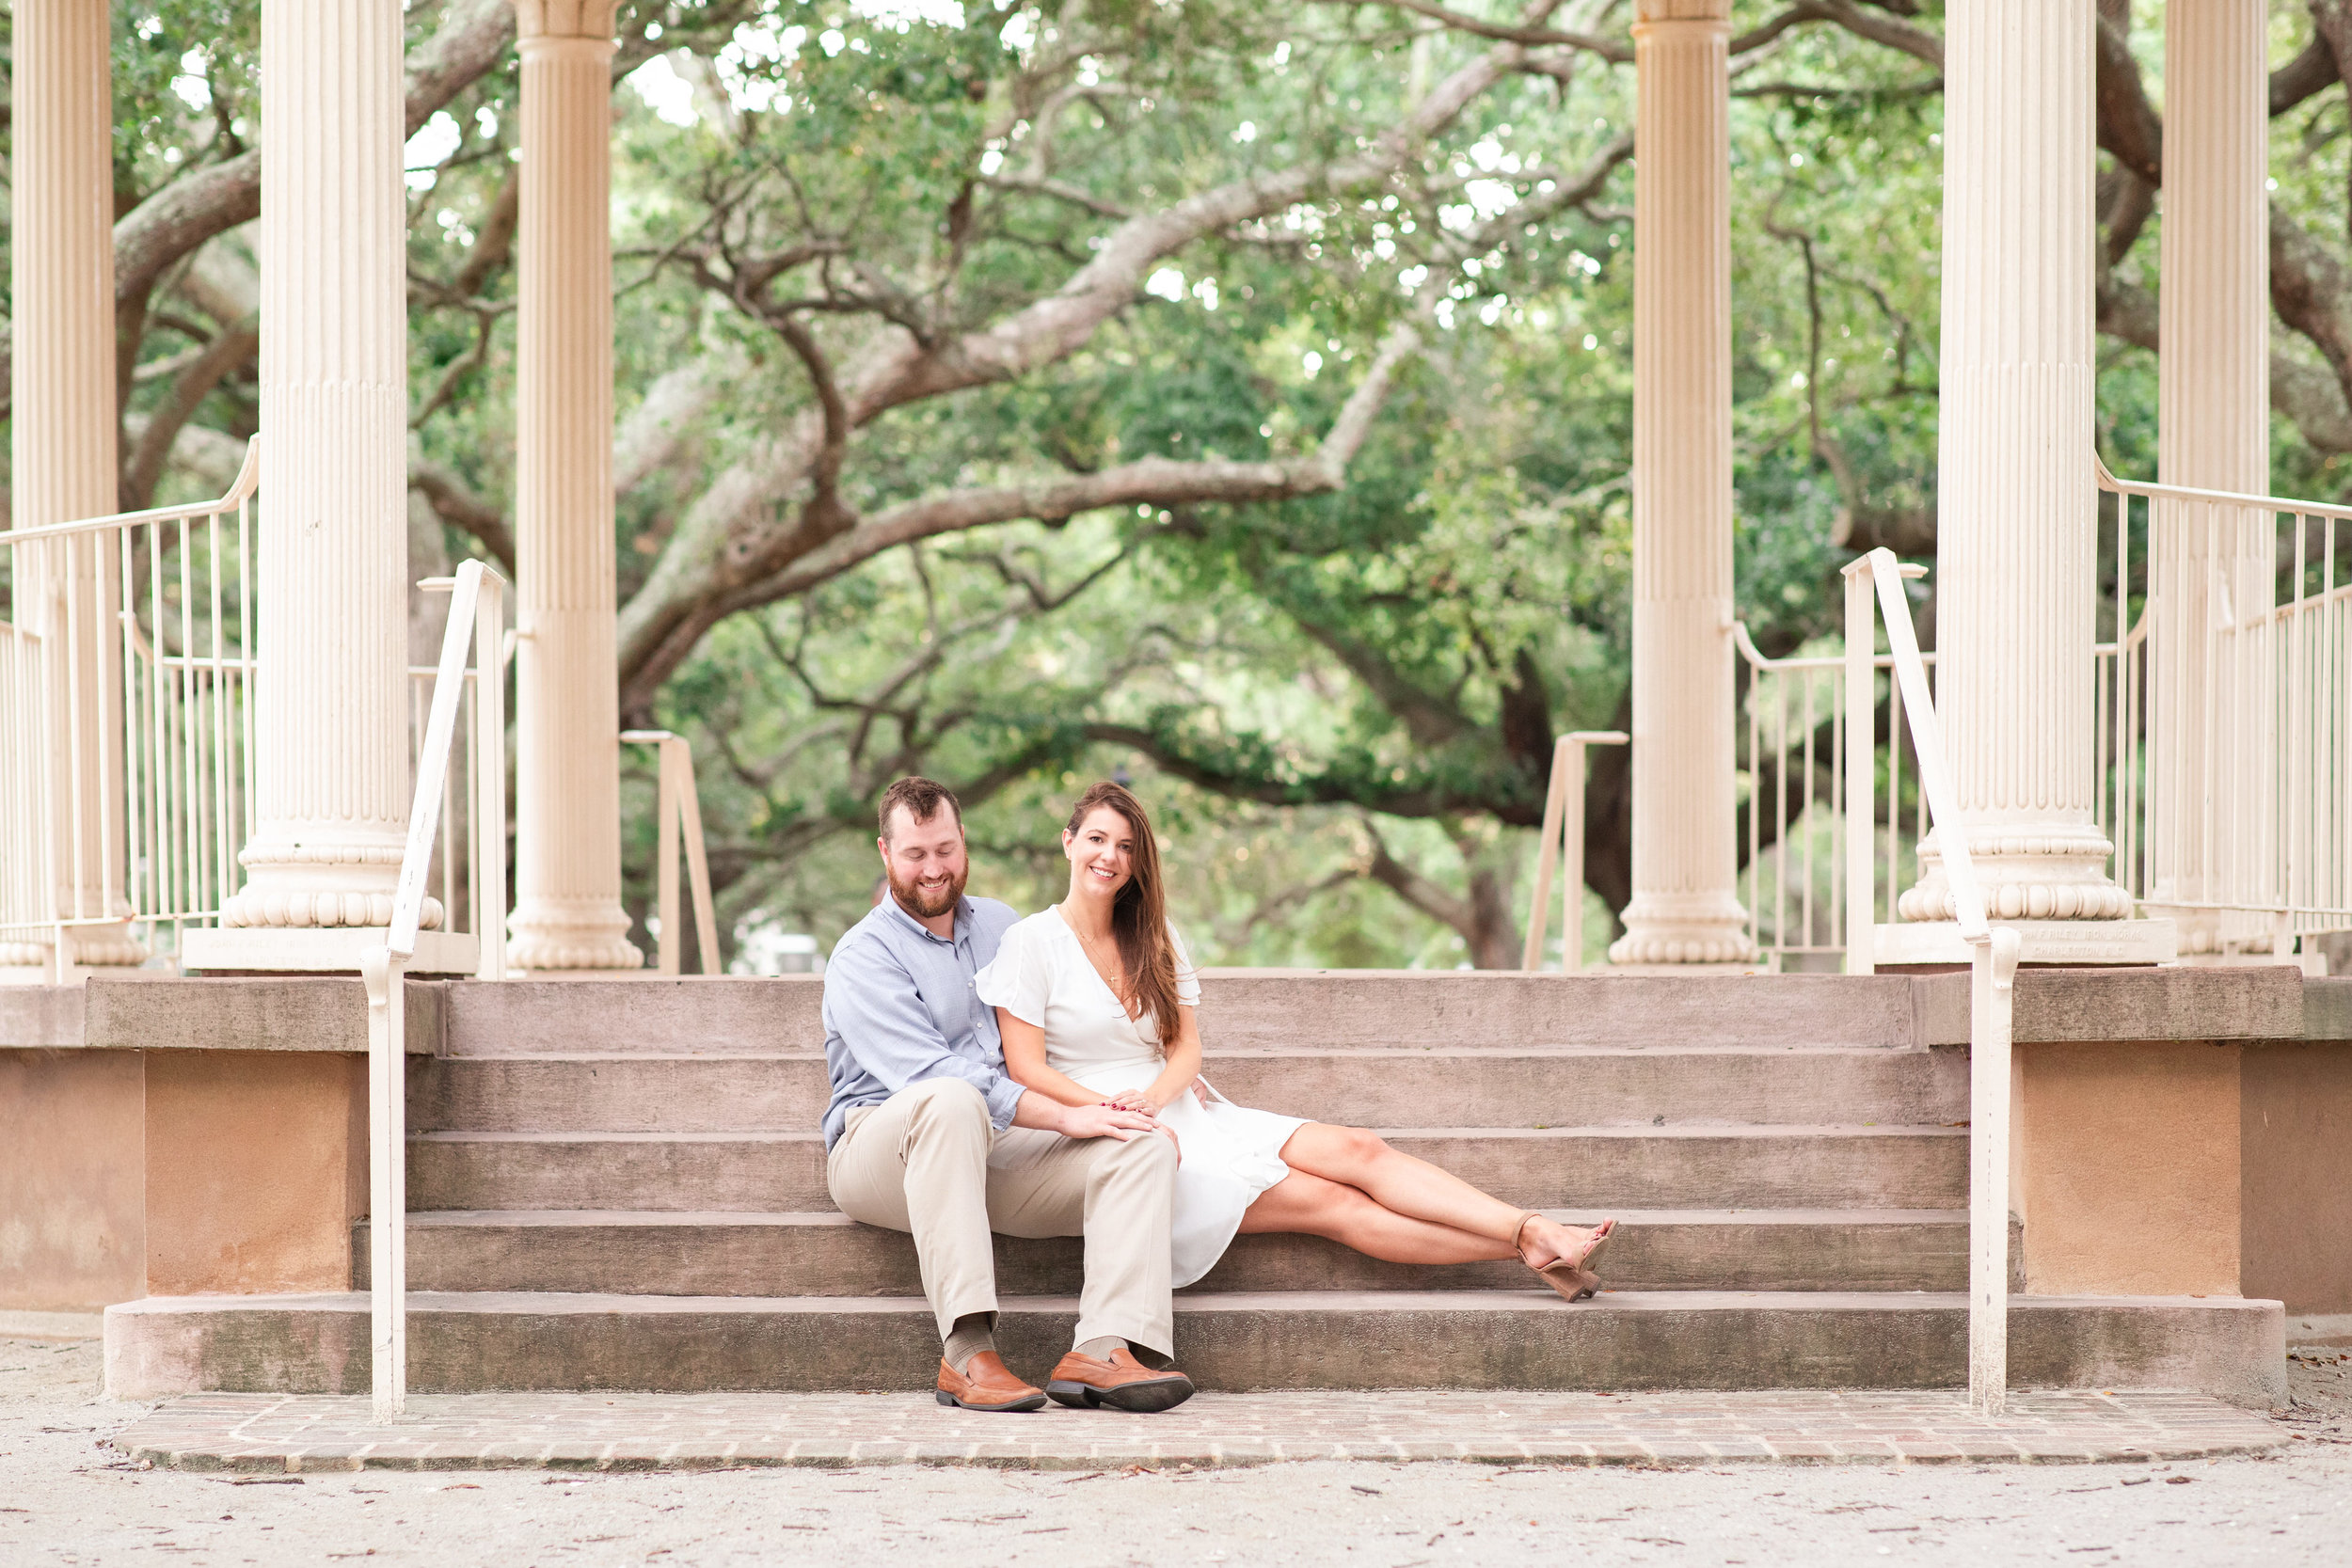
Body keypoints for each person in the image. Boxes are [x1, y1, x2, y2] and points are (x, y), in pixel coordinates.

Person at [977, 781, 1615, 1296]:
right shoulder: (1030, 942)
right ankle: (1528, 1238)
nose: (1108, 855)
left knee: (1360, 1148)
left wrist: (1157, 1093)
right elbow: (1025, 1066)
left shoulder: (1155, 934)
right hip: (1111, 1134)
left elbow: (1186, 1047)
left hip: (1176, 1104)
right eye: (1095, 838)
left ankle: (1530, 1232)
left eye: (1124, 844)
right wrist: (1110, 1110)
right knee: (1331, 1203)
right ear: (1068, 842)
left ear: (1138, 860)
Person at [821, 777, 1196, 1415]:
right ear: (885, 852)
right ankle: (967, 1353)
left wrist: (1117, 1106)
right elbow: (938, 1078)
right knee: (950, 1097)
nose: (934, 868)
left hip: (993, 1148)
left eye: (945, 849)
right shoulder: (863, 955)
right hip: (883, 1149)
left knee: (1141, 1146)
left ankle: (1103, 1348)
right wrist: (1066, 1114)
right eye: (915, 854)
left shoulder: (1002, 925)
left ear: (963, 841)